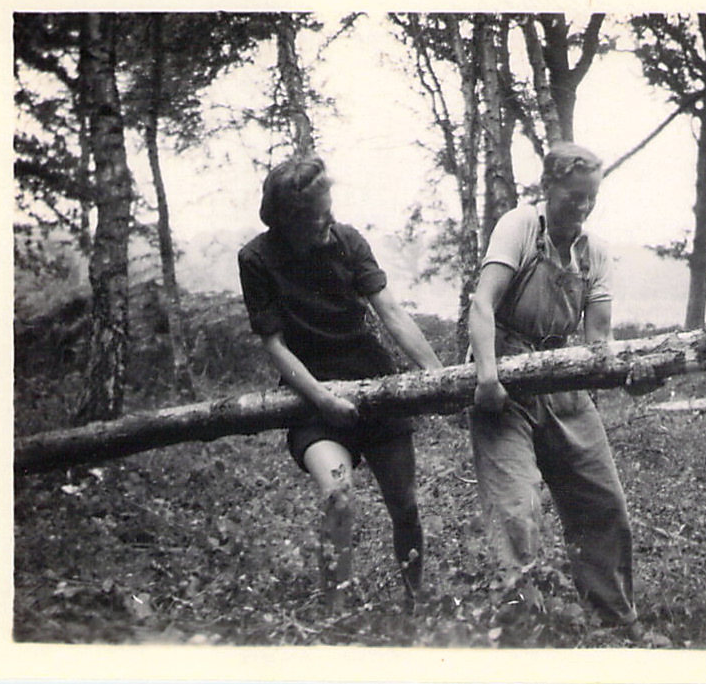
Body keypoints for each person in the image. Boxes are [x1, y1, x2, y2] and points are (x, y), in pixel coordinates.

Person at [238, 156, 442, 612]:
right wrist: (323, 400)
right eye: (316, 219)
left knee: (404, 506)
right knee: (337, 493)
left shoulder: (349, 241)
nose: (328, 223)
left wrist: (437, 375)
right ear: (286, 220)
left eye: (330, 211)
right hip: (310, 398)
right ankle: (337, 613)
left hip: (377, 388)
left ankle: (415, 601)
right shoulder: (255, 259)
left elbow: (391, 313)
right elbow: (274, 345)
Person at [468, 142, 650, 635]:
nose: (583, 208)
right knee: (517, 510)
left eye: (591, 198)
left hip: (564, 376)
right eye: (574, 197)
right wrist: (487, 377)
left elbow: (597, 342)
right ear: (548, 188)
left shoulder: (595, 254)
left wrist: (630, 375)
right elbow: (482, 304)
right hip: (505, 378)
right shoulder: (521, 227)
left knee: (603, 502)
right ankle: (519, 628)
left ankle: (616, 618)